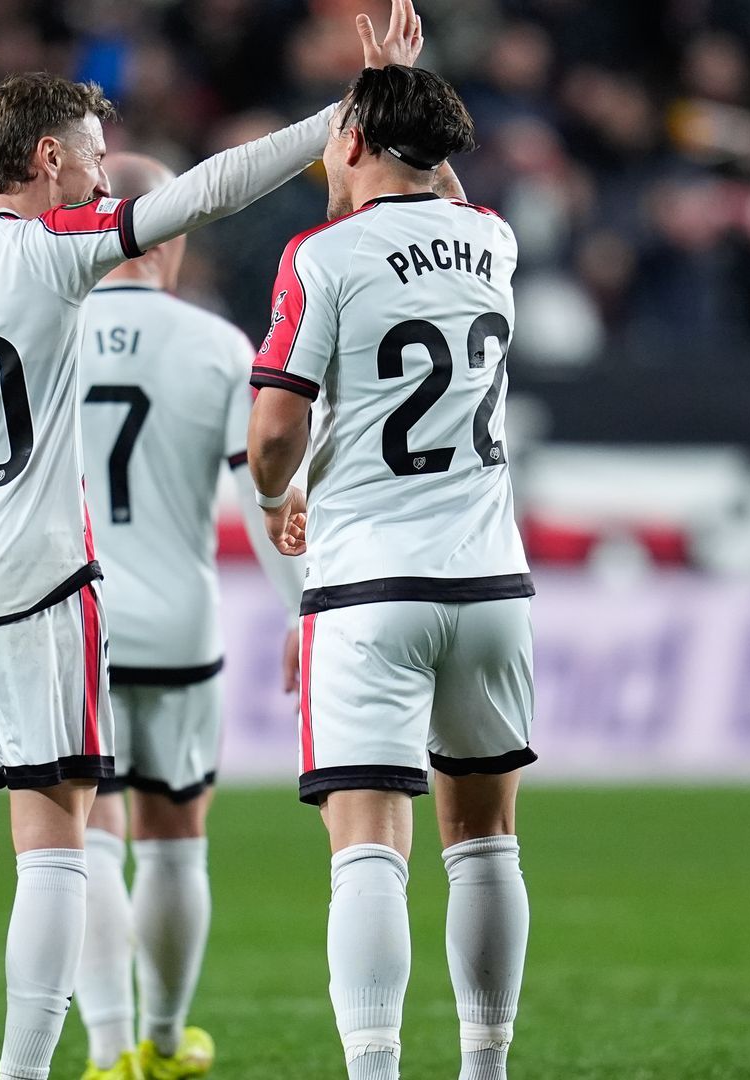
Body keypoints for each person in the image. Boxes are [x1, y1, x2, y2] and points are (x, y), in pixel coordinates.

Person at [0, 6, 425, 1077]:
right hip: (36, 580)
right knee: (57, 841)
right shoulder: (57, 253)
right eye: (98, 163)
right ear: (48, 160)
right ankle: (27, 1071)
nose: (108, 185)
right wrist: (346, 113)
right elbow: (208, 189)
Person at [245, 61, 535, 1080]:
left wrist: (282, 496)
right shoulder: (493, 240)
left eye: (337, 131)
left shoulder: (320, 257)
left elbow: (275, 432)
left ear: (356, 142)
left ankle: (375, 1074)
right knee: (485, 843)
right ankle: (486, 1069)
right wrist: (405, 79)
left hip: (370, 585)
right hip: (492, 584)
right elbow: (436, 206)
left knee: (368, 845)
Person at [71, 152, 305, 1080]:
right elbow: (266, 493)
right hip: (177, 625)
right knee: (175, 838)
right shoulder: (216, 346)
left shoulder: (50, 329)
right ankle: (166, 1044)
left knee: (82, 835)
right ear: (172, 232)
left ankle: (101, 1053)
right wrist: (302, 609)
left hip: (70, 619)